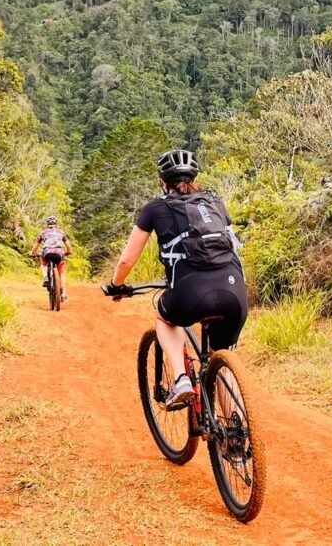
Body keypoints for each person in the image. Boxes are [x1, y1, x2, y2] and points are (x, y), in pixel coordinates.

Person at [103, 149, 247, 407]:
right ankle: (234, 435)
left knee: (166, 317)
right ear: (195, 176)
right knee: (221, 358)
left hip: (190, 294)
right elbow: (233, 245)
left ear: (162, 180)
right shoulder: (216, 203)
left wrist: (116, 286)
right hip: (234, 293)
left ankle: (181, 378)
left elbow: (127, 259)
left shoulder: (155, 208)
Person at [31, 216, 73, 302]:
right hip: (58, 253)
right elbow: (68, 246)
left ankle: (46, 277)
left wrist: (33, 254)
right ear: (55, 223)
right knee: (62, 272)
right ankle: (64, 295)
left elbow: (35, 247)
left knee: (43, 264)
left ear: (47, 224)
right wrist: (68, 252)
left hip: (47, 253)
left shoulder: (43, 233)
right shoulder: (61, 232)